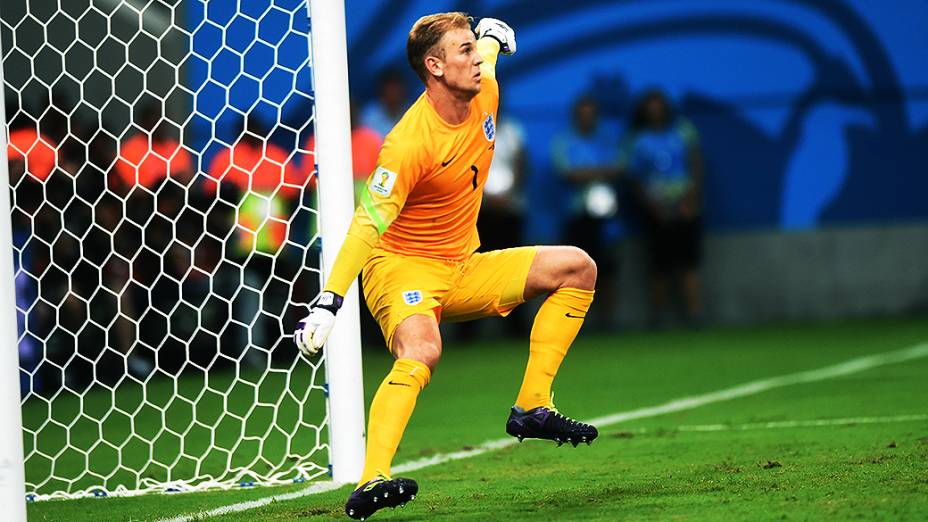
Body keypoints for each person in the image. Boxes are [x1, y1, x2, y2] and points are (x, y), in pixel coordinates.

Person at [293, 13, 599, 520]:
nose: (476, 57)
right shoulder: (408, 143)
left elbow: (492, 50)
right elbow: (367, 224)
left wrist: (494, 34)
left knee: (577, 268)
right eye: (464, 51)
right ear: (434, 66)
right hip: (402, 270)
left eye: (474, 49)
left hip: (463, 265)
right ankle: (372, 479)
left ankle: (532, 407)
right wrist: (330, 300)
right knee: (423, 349)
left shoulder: (485, 90)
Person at [621, 89, 704, 327]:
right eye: (651, 107)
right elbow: (634, 178)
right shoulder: (637, 140)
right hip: (655, 209)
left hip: (685, 204)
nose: (655, 111)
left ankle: (695, 314)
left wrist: (691, 199)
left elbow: (696, 164)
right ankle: (658, 317)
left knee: (688, 262)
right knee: (659, 264)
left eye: (659, 106)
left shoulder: (683, 130)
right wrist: (652, 207)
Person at [551, 95, 623, 329]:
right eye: (582, 114)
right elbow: (567, 173)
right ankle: (572, 323)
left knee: (607, 268)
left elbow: (620, 168)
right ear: (575, 116)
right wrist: (600, 172)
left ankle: (607, 320)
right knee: (573, 272)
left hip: (605, 215)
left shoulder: (608, 140)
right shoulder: (564, 142)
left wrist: (585, 173)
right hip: (576, 214)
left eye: (591, 114)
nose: (586, 119)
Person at [360, 67, 409, 139]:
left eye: (395, 89)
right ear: (382, 90)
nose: (393, 93)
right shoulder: (370, 115)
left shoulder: (412, 111)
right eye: (390, 89)